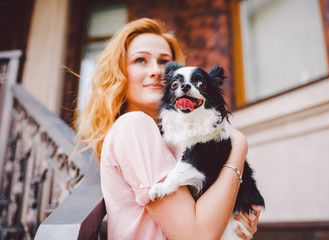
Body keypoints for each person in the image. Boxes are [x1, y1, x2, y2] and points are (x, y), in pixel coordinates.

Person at [77, 18, 262, 239]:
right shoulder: (135, 126)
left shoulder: (165, 137)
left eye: (164, 61)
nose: (156, 71)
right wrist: (239, 147)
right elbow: (197, 236)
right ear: (120, 73)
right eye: (140, 60)